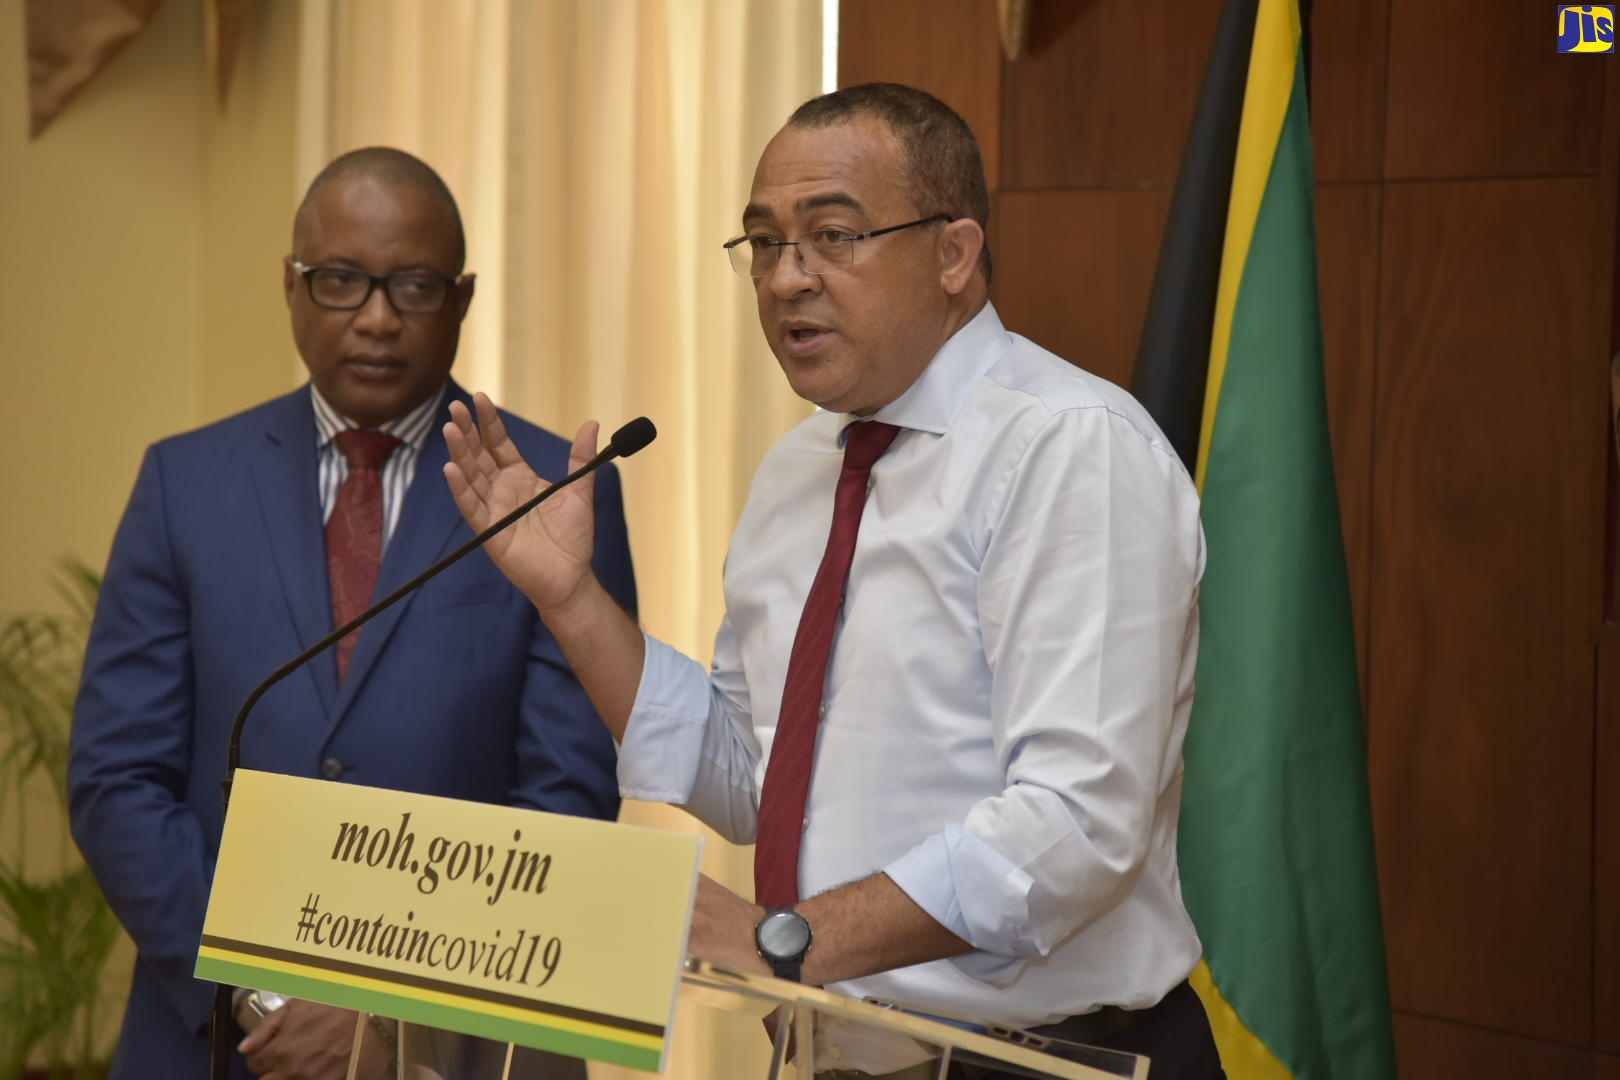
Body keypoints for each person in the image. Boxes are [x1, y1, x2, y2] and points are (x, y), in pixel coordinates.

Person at [443, 84, 1223, 1079]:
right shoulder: (799, 473)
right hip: (836, 1057)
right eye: (764, 244)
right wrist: (570, 599)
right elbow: (757, 780)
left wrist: (789, 938)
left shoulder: (1068, 449)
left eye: (834, 236)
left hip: (1043, 1060)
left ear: (954, 253)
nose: (786, 279)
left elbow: (1075, 827)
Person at [68, 147, 636, 1080]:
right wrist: (265, 995)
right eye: (340, 281)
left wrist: (386, 1016)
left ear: (461, 298)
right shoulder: (186, 483)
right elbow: (117, 778)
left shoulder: (550, 491)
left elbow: (566, 802)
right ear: (291, 289)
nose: (376, 317)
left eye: (413, 284)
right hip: (219, 1042)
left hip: (466, 1051)